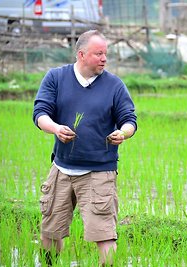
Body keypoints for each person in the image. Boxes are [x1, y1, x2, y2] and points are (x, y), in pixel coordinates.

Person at [33, 30, 137, 265]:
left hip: (99, 171)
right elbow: (40, 113)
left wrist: (123, 132)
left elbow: (129, 119)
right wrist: (56, 128)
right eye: (98, 53)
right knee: (51, 230)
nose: (104, 58)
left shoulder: (114, 85)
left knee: (105, 234)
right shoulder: (56, 78)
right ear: (81, 54)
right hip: (61, 168)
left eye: (105, 54)